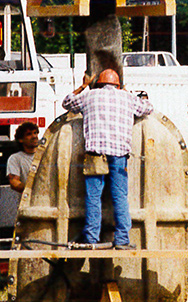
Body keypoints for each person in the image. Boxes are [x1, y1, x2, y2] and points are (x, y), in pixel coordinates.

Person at [61, 68, 153, 250]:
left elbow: (66, 102)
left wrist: (83, 86)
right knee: (120, 196)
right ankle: (122, 240)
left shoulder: (89, 96)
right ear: (117, 84)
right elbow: (148, 108)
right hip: (119, 155)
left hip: (95, 154)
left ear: (98, 83)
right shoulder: (127, 98)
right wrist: (127, 92)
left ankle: (91, 239)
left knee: (93, 197)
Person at [7, 122, 40, 192]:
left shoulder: (46, 155)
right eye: (29, 134)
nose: (34, 136)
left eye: (35, 133)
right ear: (20, 139)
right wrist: (32, 189)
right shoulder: (15, 158)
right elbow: (14, 181)